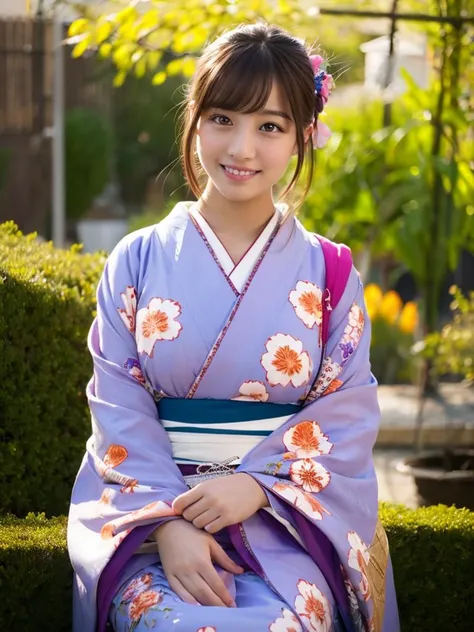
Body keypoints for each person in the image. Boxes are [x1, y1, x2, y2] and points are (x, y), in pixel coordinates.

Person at [68, 23, 400, 632]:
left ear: (304, 136)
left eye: (269, 126)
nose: (243, 148)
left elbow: (345, 412)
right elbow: (118, 408)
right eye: (223, 119)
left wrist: (259, 487)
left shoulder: (329, 273)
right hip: (156, 532)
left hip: (285, 531)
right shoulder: (136, 260)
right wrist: (167, 525)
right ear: (194, 120)